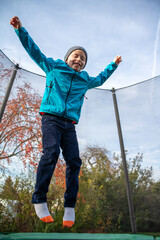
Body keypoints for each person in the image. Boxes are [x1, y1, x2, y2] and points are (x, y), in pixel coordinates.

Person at [10, 16, 122, 228]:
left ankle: (69, 206)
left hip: (69, 125)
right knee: (51, 152)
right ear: (68, 57)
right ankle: (39, 199)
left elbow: (101, 78)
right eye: (76, 56)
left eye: (82, 59)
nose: (79, 60)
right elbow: (34, 51)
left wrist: (113, 65)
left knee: (74, 162)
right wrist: (20, 30)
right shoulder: (53, 67)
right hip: (51, 118)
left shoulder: (85, 80)